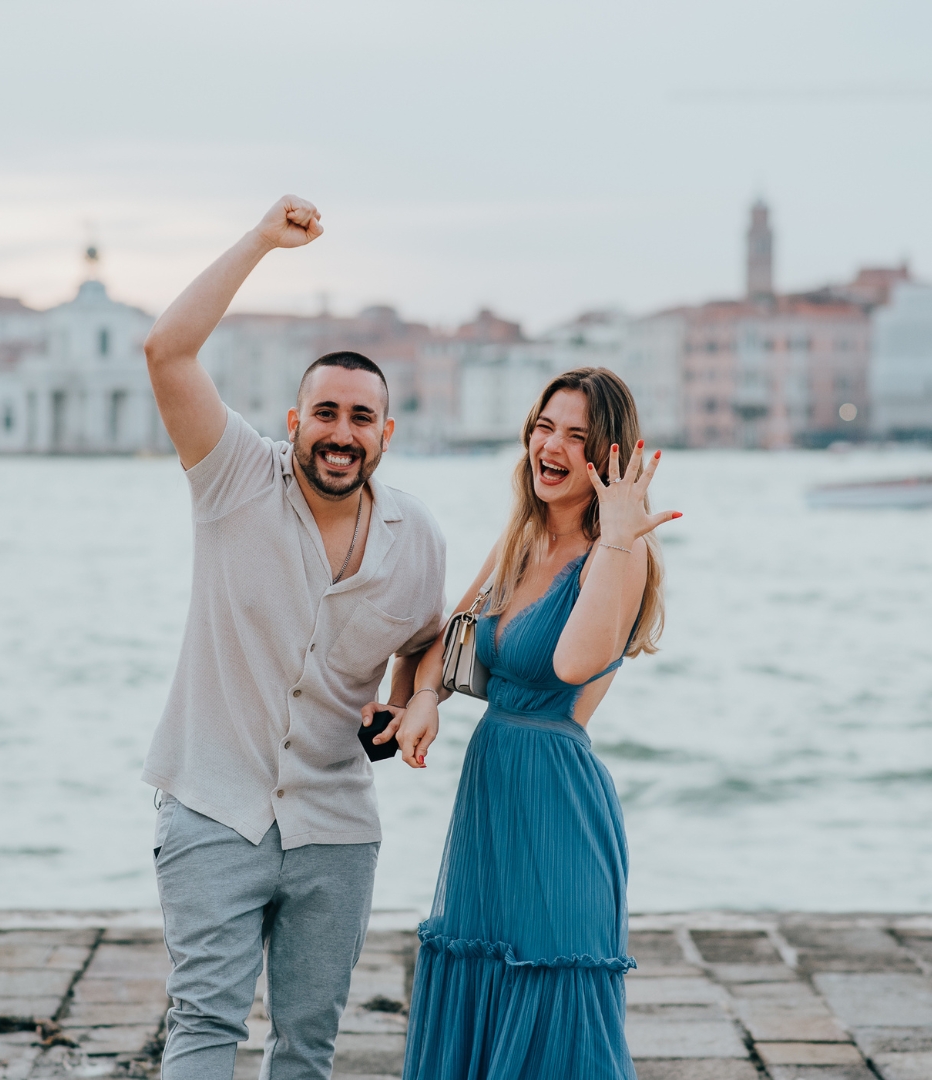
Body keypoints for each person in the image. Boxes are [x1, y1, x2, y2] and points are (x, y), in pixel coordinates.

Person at [140, 195, 446, 1080]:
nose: (340, 434)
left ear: (385, 434)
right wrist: (263, 242)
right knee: (203, 1023)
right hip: (211, 806)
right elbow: (167, 351)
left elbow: (427, 640)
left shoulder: (415, 536)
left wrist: (412, 697)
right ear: (293, 422)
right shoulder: (232, 478)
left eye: (360, 418)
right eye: (325, 414)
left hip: (337, 825)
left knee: (308, 1046)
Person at [383, 369, 679, 1079]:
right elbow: (450, 645)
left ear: (608, 457)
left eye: (577, 436)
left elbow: (576, 661)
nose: (553, 445)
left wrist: (615, 536)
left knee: (555, 1006)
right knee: (481, 986)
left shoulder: (621, 555)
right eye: (546, 426)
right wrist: (423, 698)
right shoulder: (519, 539)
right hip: (491, 798)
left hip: (559, 805)